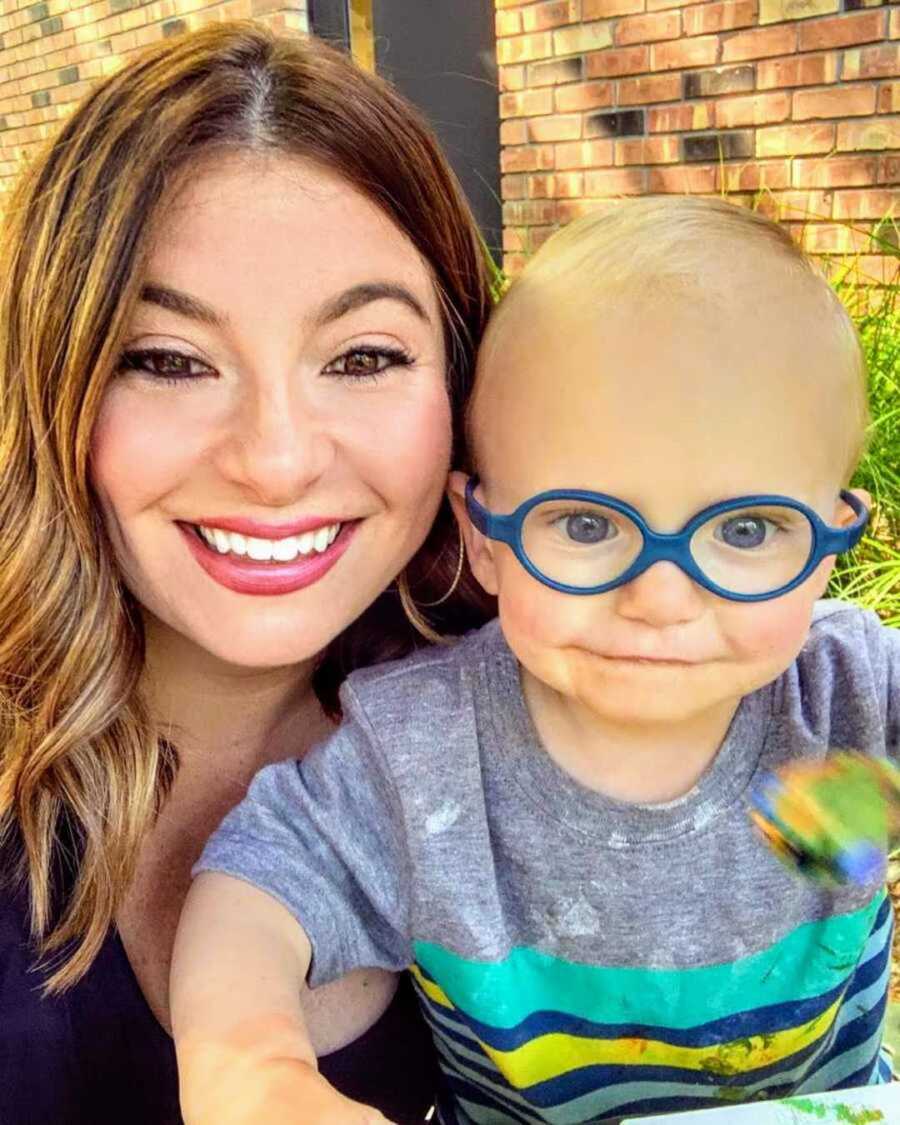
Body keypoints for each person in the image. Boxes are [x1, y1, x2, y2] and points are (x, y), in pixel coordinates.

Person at [170, 196, 899, 1125]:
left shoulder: (852, 703)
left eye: (747, 528)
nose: (662, 596)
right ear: (483, 537)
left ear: (829, 545)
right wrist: (251, 1070)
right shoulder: (427, 761)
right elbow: (256, 885)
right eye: (586, 524)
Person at [0, 21, 496, 1125]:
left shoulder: (562, 731)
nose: (275, 462)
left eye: (364, 356)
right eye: (169, 361)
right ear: (51, 386)